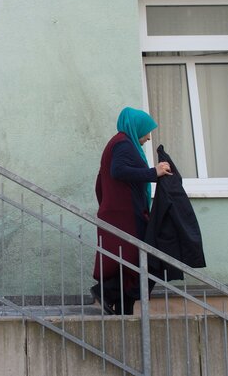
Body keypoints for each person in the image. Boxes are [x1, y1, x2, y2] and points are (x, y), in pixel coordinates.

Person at [91, 107, 172, 315]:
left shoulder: (120, 143)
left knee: (127, 263)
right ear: (137, 127)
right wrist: (154, 172)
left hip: (120, 212)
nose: (148, 136)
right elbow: (118, 171)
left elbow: (101, 181)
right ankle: (105, 292)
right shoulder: (123, 144)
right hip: (124, 215)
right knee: (137, 261)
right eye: (147, 131)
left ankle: (123, 311)